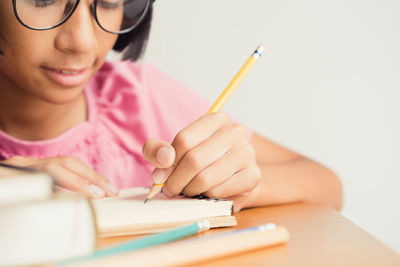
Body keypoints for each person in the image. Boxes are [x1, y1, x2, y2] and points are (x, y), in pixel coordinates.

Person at [0, 0, 342, 212]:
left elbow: (328, 186)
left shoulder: (138, 98)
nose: (83, 41)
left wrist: (241, 186)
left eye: (106, 1)